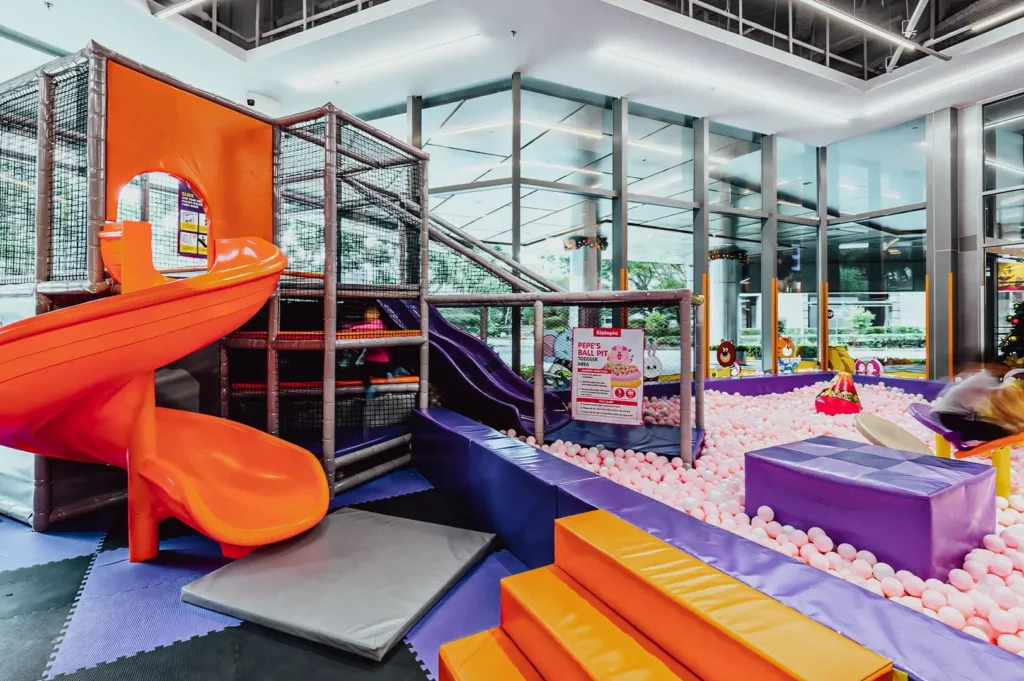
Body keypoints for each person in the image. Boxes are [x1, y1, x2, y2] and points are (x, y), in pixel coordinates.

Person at [932, 364, 1013, 442]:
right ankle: (959, 436)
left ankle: (961, 436)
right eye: (1000, 369)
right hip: (951, 417)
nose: (1002, 372)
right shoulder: (987, 380)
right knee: (999, 432)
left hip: (949, 416)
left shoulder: (982, 377)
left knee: (994, 429)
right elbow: (996, 402)